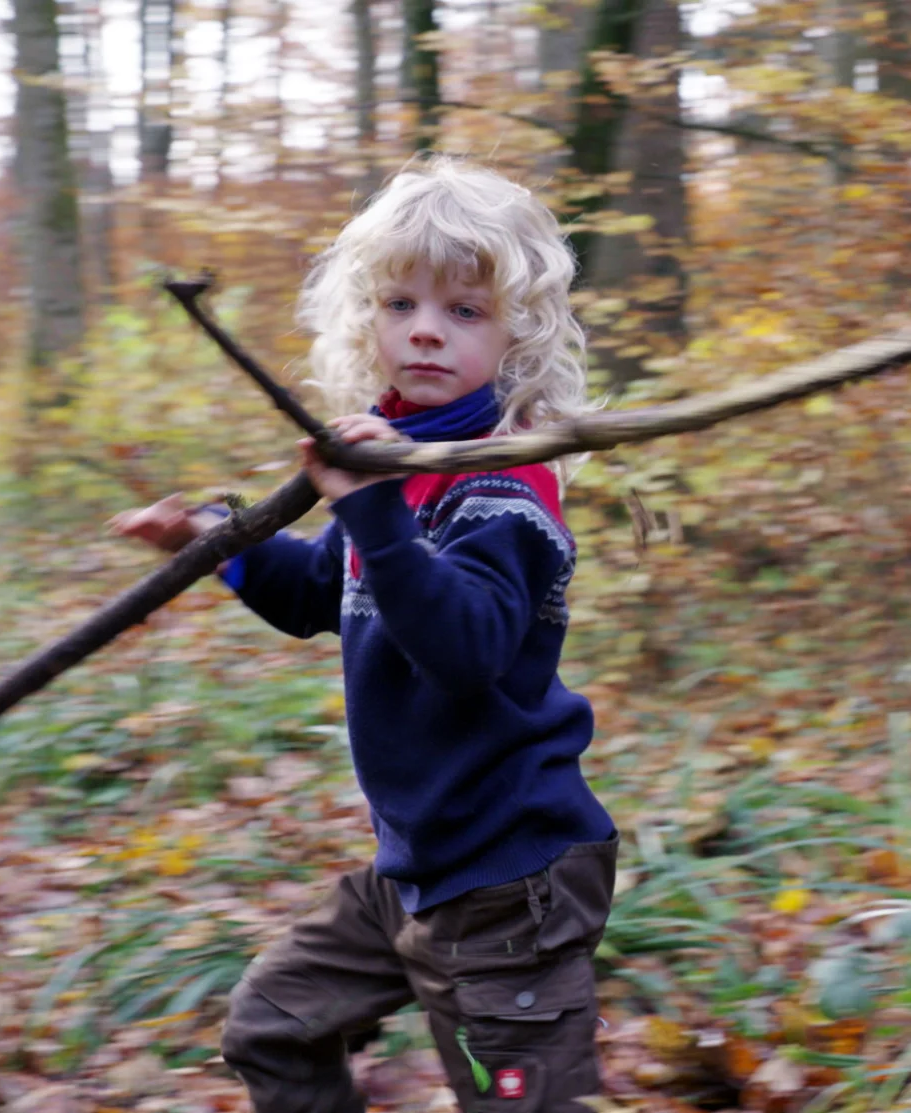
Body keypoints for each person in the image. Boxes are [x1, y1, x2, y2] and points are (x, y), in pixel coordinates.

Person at [110, 157, 617, 1113]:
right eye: (400, 303)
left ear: (517, 338)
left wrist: (378, 512)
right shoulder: (396, 467)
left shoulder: (500, 494)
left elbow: (463, 649)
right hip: (417, 868)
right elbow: (321, 590)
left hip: (512, 881)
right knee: (275, 1025)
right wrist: (218, 539)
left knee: (515, 1098)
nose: (424, 328)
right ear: (368, 319)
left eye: (464, 311)